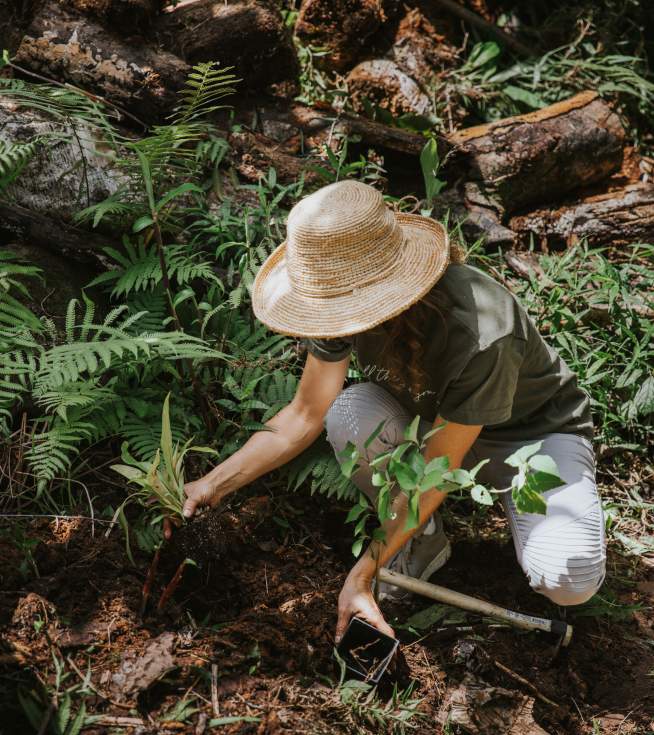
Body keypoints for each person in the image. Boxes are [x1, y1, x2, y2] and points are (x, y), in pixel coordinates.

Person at [174, 180, 606, 642]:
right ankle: (421, 543)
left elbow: (438, 470)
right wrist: (214, 483)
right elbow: (304, 414)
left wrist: (362, 572)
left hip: (532, 441)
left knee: (569, 577)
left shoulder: (483, 331)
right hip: (436, 429)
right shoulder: (338, 306)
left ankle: (523, 515)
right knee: (348, 412)